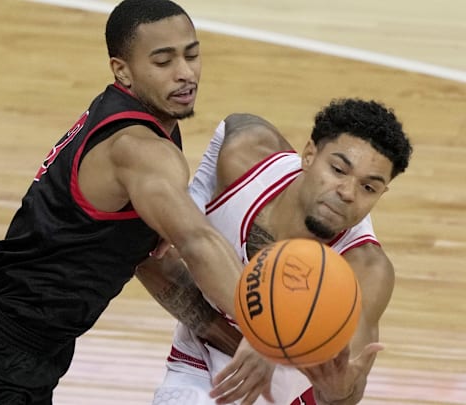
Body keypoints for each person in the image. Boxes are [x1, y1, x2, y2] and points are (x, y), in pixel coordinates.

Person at [0, 1, 251, 404]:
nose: (185, 73)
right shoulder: (137, 149)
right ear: (121, 70)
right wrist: (266, 330)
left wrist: (232, 339)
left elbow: (149, 262)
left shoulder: (151, 127)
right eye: (163, 61)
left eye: (191, 55)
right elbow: (196, 241)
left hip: (24, 349)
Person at [135, 98, 413, 404]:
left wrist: (337, 392)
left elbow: (347, 385)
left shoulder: (367, 271)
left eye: (368, 188)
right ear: (309, 155)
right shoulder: (244, 156)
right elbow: (148, 260)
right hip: (201, 362)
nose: (347, 193)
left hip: (290, 394)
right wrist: (256, 336)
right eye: (337, 170)